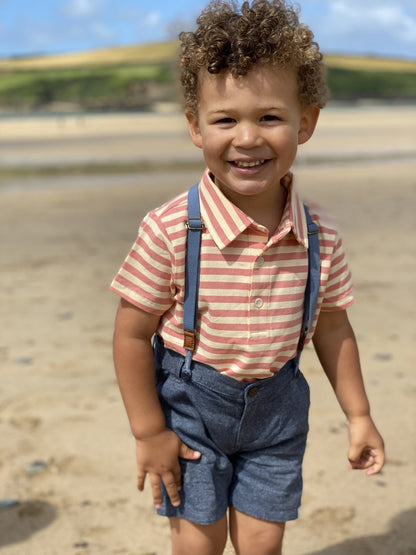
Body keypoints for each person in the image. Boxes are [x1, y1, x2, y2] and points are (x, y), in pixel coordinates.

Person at [110, 1, 385, 553]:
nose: (248, 138)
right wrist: (149, 431)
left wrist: (360, 415)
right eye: (225, 119)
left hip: (278, 416)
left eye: (269, 117)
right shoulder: (170, 230)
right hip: (191, 417)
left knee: (262, 547)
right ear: (195, 126)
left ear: (305, 122)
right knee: (198, 546)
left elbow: (332, 329)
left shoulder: (318, 235)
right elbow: (131, 335)